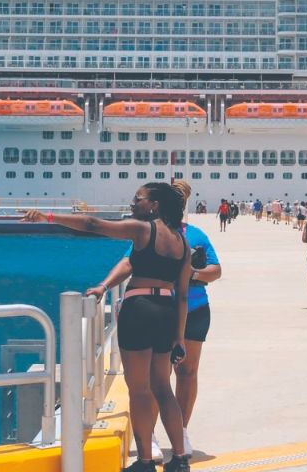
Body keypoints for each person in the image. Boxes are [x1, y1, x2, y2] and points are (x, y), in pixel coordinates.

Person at [23, 184, 192, 471]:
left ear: (154, 205)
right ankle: (179, 459)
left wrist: (49, 217)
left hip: (139, 310)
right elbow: (184, 294)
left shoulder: (143, 230)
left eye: (138, 198)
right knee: (163, 388)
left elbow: (92, 224)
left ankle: (146, 463)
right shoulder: (182, 243)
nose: (133, 202)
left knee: (139, 391)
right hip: (166, 311)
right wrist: (179, 337)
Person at [94, 180, 221, 460]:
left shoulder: (179, 234)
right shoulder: (171, 237)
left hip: (166, 309)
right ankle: (166, 448)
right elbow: (132, 264)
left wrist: (188, 275)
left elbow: (215, 270)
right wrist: (104, 285)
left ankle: (160, 448)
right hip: (170, 311)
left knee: (161, 382)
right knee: (160, 385)